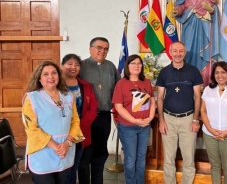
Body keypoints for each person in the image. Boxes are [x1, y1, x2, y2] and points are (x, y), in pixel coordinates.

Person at [22, 61, 84, 184]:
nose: (50, 77)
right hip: (42, 154)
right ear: (39, 78)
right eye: (45, 74)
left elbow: (75, 121)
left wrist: (67, 143)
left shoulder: (68, 96)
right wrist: (55, 146)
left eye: (54, 73)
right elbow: (31, 129)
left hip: (65, 152)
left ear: (59, 76)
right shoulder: (32, 98)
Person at [156, 41, 203, 184]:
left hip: (188, 119)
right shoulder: (164, 72)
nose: (178, 54)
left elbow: (197, 96)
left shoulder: (193, 71)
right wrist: (161, 120)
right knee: (168, 158)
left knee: (188, 158)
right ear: (170, 52)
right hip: (168, 119)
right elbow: (159, 97)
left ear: (185, 53)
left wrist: (195, 119)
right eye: (175, 51)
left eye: (181, 51)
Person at [78, 37, 121, 184]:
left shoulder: (110, 66)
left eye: (106, 49)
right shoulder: (81, 67)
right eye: (99, 48)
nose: (102, 51)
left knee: (101, 153)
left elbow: (119, 89)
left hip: (104, 117)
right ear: (90, 49)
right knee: (85, 154)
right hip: (85, 118)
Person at [173, 0, 220, 86]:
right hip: (189, 22)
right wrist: (177, 10)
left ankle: (204, 82)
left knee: (203, 49)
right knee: (187, 50)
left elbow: (213, 4)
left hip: (202, 22)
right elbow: (180, 4)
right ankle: (188, 81)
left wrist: (210, 9)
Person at [112, 54, 156, 184]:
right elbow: (119, 107)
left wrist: (151, 117)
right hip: (128, 127)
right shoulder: (121, 84)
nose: (136, 66)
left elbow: (152, 101)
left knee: (141, 157)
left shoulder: (146, 82)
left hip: (145, 126)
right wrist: (134, 120)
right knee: (130, 159)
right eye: (133, 63)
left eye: (139, 63)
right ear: (127, 66)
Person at [200, 61, 227, 184]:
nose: (220, 75)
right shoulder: (208, 89)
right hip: (210, 134)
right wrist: (209, 129)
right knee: (214, 165)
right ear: (213, 75)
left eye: (223, 72)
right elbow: (202, 110)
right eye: (217, 72)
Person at [61, 54, 98, 184]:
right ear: (62, 66)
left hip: (80, 131)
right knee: (62, 168)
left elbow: (93, 107)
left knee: (74, 166)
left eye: (77, 65)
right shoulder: (54, 85)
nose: (73, 67)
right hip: (60, 133)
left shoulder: (85, 85)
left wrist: (79, 126)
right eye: (70, 64)